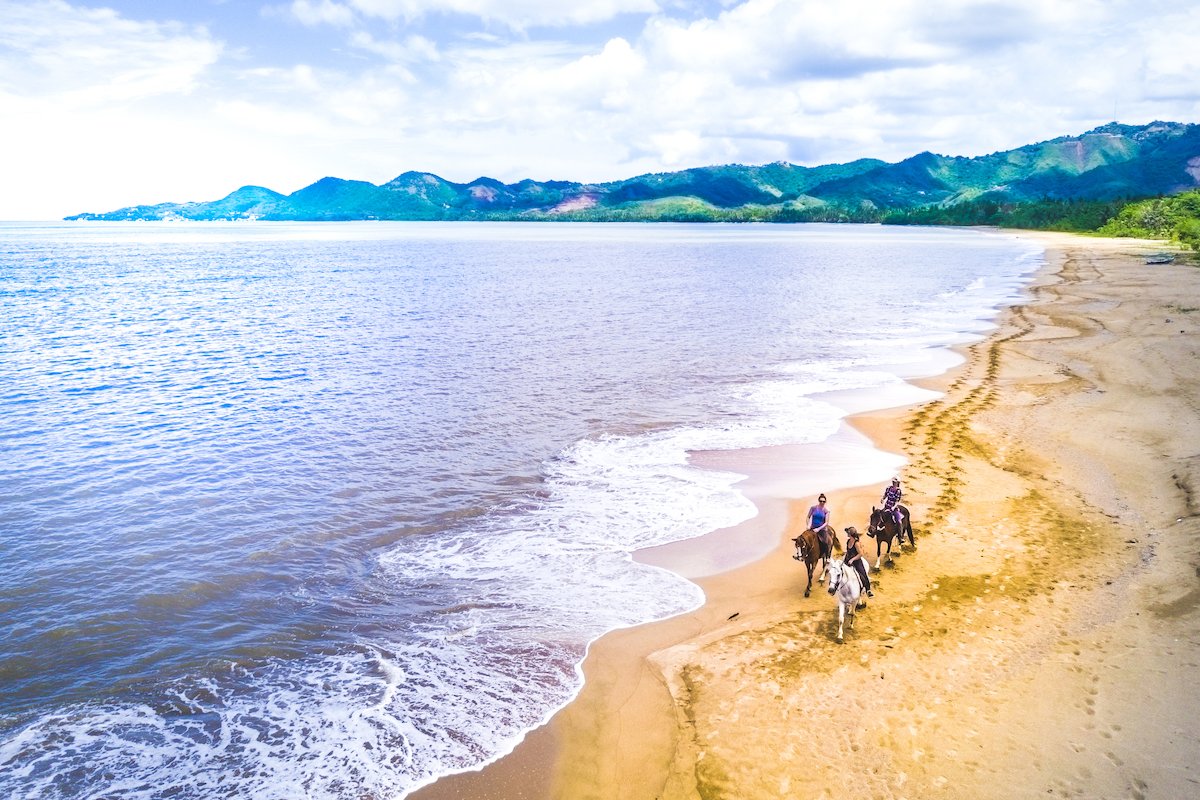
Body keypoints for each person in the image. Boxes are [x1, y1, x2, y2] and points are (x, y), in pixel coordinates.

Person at [843, 526, 873, 597]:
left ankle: (868, 590)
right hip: (848, 560)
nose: (847, 534)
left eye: (848, 533)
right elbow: (848, 551)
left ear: (850, 534)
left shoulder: (856, 543)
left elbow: (861, 554)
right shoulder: (848, 541)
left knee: (863, 574)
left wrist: (852, 559)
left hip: (856, 561)